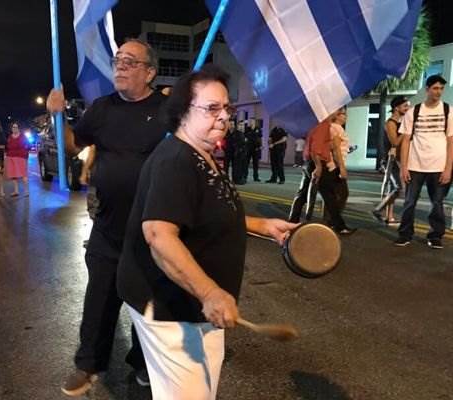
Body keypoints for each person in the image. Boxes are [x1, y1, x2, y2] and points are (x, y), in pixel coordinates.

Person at [117, 65, 297, 399]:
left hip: (195, 308)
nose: (224, 116)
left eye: (226, 108)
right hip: (173, 309)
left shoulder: (202, 154)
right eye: (212, 108)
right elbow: (158, 235)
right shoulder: (176, 161)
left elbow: (204, 212)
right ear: (183, 112)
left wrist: (261, 225)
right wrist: (210, 292)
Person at [47, 38, 166, 396]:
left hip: (152, 228)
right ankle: (88, 364)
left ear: (150, 72)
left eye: (131, 61)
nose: (121, 66)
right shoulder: (102, 108)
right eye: (118, 60)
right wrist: (58, 116)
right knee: (99, 296)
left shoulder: (167, 110)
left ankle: (144, 363)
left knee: (148, 301)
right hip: (109, 224)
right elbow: (74, 145)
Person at [395, 75, 453, 249]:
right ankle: (405, 234)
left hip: (439, 165)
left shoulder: (448, 111)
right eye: (435, 88)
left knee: (437, 203)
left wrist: (448, 168)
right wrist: (403, 167)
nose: (438, 92)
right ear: (427, 89)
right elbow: (405, 141)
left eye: (441, 88)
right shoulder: (414, 111)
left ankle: (435, 236)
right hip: (415, 165)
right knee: (409, 202)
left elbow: (451, 142)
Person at [372, 96, 410, 224]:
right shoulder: (390, 123)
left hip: (399, 159)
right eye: (405, 106)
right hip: (390, 160)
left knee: (393, 188)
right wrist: (405, 132)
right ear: (396, 108)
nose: (408, 108)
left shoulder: (402, 122)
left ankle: (389, 217)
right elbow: (394, 142)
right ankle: (378, 209)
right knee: (398, 188)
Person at [324, 108, 352, 228]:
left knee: (332, 195)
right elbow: (335, 150)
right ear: (336, 115)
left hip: (333, 165)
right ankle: (333, 221)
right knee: (342, 194)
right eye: (343, 114)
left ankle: (329, 221)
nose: (346, 116)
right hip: (334, 166)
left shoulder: (335, 127)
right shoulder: (336, 128)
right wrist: (341, 167)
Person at [5, 121, 30, 197]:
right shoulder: (9, 137)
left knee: (23, 174)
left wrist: (25, 154)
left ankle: (26, 191)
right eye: (13, 127)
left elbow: (28, 145)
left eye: (16, 127)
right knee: (13, 175)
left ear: (19, 128)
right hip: (11, 157)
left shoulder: (22, 136)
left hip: (21, 157)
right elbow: (7, 147)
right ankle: (16, 191)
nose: (14, 129)